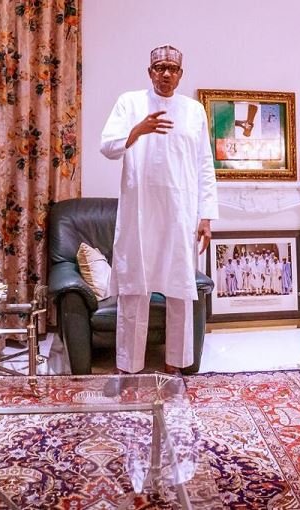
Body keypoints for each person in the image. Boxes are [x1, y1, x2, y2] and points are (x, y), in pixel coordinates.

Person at [100, 44, 219, 375]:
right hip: (139, 213)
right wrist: (138, 130)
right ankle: (128, 365)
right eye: (160, 67)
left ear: (181, 74)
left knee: (180, 289)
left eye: (172, 68)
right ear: (149, 71)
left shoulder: (193, 111)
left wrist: (206, 217)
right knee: (134, 288)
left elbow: (204, 166)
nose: (166, 73)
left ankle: (175, 364)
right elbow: (107, 146)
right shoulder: (130, 102)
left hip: (179, 214)